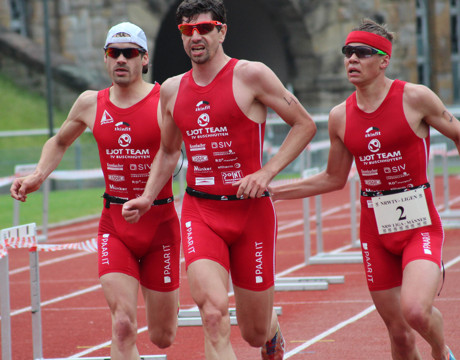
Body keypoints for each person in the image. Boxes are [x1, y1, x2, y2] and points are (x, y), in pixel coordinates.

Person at [121, 1, 317, 359]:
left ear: (222, 31)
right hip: (201, 213)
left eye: (205, 28)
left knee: (254, 331)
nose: (195, 37)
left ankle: (270, 329)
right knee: (212, 314)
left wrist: (266, 171)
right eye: (187, 30)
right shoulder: (172, 90)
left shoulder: (251, 75)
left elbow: (304, 124)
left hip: (250, 215)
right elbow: (168, 153)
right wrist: (148, 196)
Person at [270, 19, 458, 360]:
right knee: (399, 334)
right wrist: (276, 191)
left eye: (362, 53)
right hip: (375, 229)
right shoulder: (340, 116)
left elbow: (458, 133)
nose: (352, 59)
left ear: (383, 60)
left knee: (415, 311)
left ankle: (440, 350)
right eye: (347, 52)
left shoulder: (415, 98)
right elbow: (334, 178)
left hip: (419, 223)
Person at [10, 22, 181, 360]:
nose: (121, 59)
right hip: (115, 225)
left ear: (144, 60)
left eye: (129, 53)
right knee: (122, 325)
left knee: (163, 336)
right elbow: (59, 141)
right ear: (105, 59)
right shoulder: (90, 103)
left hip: (160, 223)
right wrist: (38, 174)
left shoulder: (166, 99)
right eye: (113, 53)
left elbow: (175, 151)